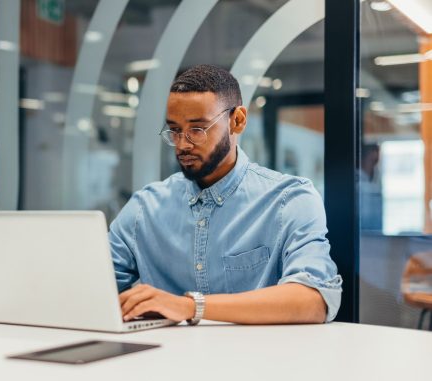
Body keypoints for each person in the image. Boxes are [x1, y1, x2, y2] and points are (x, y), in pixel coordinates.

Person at [110, 65, 342, 325]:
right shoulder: (144, 208)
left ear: (237, 121)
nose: (183, 144)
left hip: (259, 361)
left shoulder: (289, 199)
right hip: (165, 361)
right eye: (175, 130)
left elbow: (314, 301)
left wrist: (189, 307)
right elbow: (93, 288)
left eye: (197, 130)